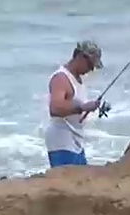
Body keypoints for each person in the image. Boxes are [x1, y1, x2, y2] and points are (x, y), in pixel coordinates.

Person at [44, 40, 106, 168]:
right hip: (61, 141)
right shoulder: (61, 78)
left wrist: (89, 108)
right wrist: (82, 107)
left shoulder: (77, 80)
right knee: (66, 182)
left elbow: (73, 109)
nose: (91, 69)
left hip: (76, 140)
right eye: (90, 64)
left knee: (80, 180)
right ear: (80, 57)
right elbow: (55, 108)